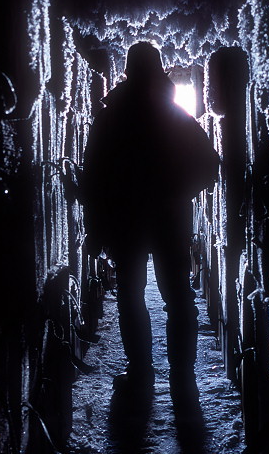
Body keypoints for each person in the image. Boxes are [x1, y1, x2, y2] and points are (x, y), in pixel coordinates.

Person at [80, 41, 220, 402]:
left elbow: (93, 176)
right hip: (169, 220)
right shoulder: (173, 115)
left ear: (127, 70)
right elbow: (209, 166)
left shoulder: (111, 116)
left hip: (127, 221)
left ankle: (141, 374)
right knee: (178, 298)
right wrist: (177, 192)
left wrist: (97, 227)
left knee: (131, 296)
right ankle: (182, 381)